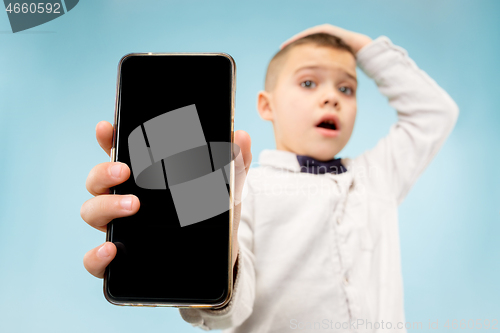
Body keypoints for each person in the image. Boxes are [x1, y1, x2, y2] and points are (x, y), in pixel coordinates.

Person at [81, 24, 459, 333]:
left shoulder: (379, 176)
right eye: (309, 83)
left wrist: (357, 45)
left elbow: (435, 113)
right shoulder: (243, 189)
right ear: (266, 105)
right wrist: (211, 267)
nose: (332, 97)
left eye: (346, 87)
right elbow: (231, 312)